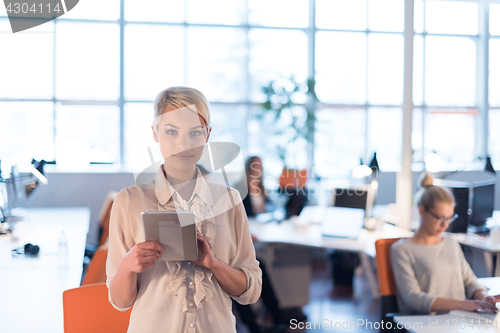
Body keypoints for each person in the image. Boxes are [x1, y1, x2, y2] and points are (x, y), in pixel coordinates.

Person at [106, 87, 262, 333]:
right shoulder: (128, 201)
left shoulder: (230, 201)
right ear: (156, 133)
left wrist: (213, 263)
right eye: (171, 132)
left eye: (194, 133)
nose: (183, 144)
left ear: (207, 134)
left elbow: (251, 292)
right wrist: (128, 265)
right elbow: (120, 302)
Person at [391, 173, 500, 315]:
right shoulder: (402, 250)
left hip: (459, 318)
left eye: (449, 218)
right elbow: (413, 299)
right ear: (422, 211)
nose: (445, 224)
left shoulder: (450, 243)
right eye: (440, 218)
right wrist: (465, 304)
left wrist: (484, 297)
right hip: (425, 322)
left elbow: (470, 282)